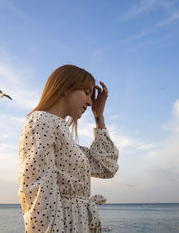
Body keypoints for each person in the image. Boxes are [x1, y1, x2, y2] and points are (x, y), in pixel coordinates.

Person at [18, 64, 119, 232]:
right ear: (65, 88)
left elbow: (106, 167)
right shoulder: (41, 122)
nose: (89, 101)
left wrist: (99, 116)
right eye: (86, 93)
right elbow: (39, 196)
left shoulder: (64, 135)